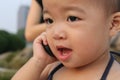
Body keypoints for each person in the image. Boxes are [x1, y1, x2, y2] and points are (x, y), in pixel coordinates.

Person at [12, 0, 120, 80]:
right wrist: (38, 61)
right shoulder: (51, 68)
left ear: (113, 24)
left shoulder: (115, 75)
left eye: (72, 18)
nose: (56, 33)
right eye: (49, 20)